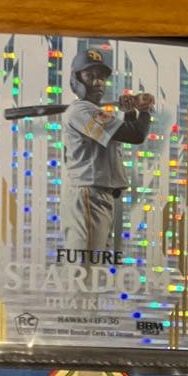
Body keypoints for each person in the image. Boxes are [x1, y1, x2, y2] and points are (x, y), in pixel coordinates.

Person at [61, 48, 155, 252]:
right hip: (88, 194)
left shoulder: (91, 111)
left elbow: (125, 134)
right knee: (85, 264)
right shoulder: (82, 111)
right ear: (76, 79)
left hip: (97, 195)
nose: (98, 82)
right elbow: (136, 135)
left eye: (102, 77)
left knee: (94, 262)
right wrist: (145, 110)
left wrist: (129, 112)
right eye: (90, 75)